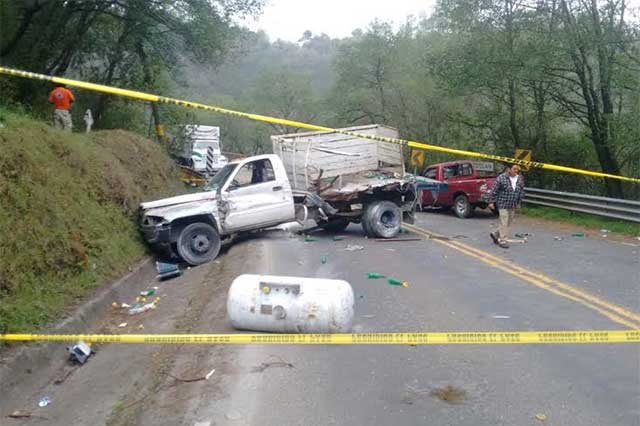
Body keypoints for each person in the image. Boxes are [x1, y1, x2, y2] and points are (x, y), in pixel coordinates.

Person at [489, 163, 524, 248]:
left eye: (517, 169)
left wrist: (519, 202)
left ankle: (495, 234)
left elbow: (521, 191)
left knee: (508, 222)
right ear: (508, 169)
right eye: (514, 169)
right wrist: (491, 202)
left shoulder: (519, 178)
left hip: (512, 204)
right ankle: (502, 240)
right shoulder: (501, 178)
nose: (516, 171)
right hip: (503, 204)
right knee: (504, 222)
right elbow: (494, 190)